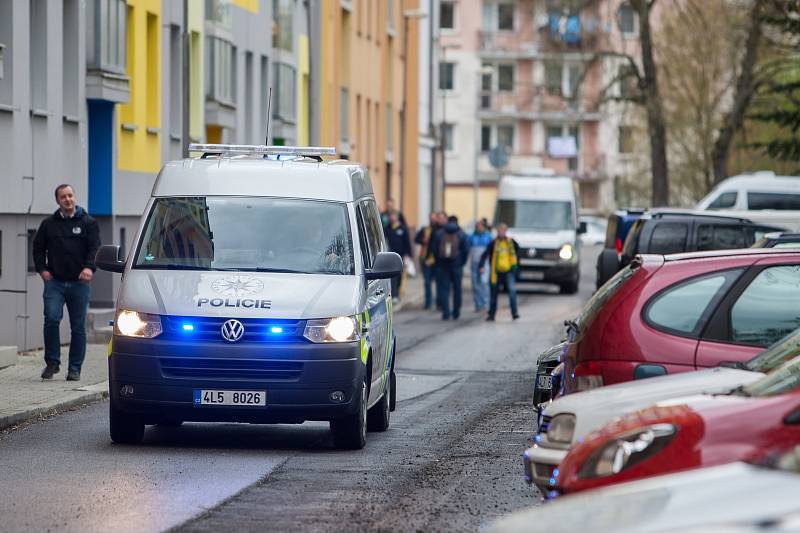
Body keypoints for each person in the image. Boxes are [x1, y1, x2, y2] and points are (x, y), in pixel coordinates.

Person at [33, 184, 101, 381]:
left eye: (70, 195)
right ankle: (52, 363)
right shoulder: (48, 224)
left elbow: (95, 248)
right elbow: (37, 249)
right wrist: (42, 270)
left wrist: (89, 267)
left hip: (80, 283)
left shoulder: (89, 223)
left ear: (75, 197)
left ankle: (74, 368)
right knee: (52, 319)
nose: (68, 199)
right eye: (63, 197)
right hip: (55, 282)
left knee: (78, 327)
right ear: (58, 201)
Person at [430, 215, 468, 320]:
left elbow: (434, 249)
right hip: (457, 266)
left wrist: (438, 262)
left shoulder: (440, 233)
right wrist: (462, 263)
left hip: (442, 265)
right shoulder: (461, 233)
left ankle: (446, 312)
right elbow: (466, 250)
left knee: (444, 289)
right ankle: (456, 312)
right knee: (457, 289)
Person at [480, 223, 520, 321]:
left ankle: (514, 313)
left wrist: (516, 264)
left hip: (508, 271)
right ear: (497, 232)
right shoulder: (493, 243)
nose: (501, 232)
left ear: (505, 231)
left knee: (512, 292)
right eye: (500, 230)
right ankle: (492, 314)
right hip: (496, 271)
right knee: (493, 294)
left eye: (503, 230)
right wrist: (481, 266)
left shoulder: (510, 242)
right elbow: (485, 254)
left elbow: (517, 251)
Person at [383, 212, 412, 302]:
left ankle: (397, 293)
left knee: (399, 276)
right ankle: (394, 295)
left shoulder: (402, 229)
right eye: (390, 216)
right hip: (391, 256)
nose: (391, 218)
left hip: (401, 256)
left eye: (393, 216)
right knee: (393, 276)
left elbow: (407, 242)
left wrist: (408, 255)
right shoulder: (387, 228)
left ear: (397, 217)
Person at [414, 212, 440, 310]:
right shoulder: (425, 229)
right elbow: (416, 239)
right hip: (426, 258)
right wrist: (422, 240)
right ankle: (428, 302)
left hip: (436, 260)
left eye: (434, 218)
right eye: (431, 218)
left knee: (438, 282)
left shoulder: (439, 230)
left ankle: (439, 302)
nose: (432, 220)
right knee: (427, 282)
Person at [468, 220, 493, 312]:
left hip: (484, 263)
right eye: (477, 226)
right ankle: (477, 304)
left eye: (480, 226)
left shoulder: (488, 237)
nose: (479, 228)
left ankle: (485, 303)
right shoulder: (471, 237)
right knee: (475, 284)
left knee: (484, 283)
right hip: (474, 263)